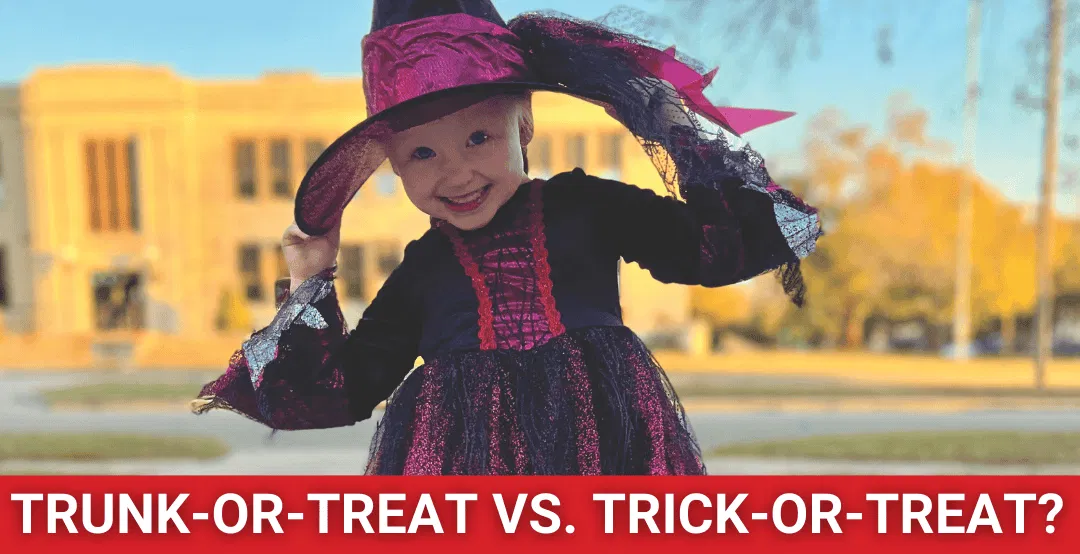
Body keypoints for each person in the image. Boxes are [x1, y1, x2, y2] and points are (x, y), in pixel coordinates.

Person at [191, 0, 823, 475]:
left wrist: (672, 132)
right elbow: (337, 393)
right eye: (422, 153)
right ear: (393, 165)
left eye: (479, 138)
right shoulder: (421, 272)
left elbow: (714, 250)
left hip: (607, 447)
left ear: (524, 127)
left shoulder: (587, 207)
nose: (457, 173)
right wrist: (311, 276)